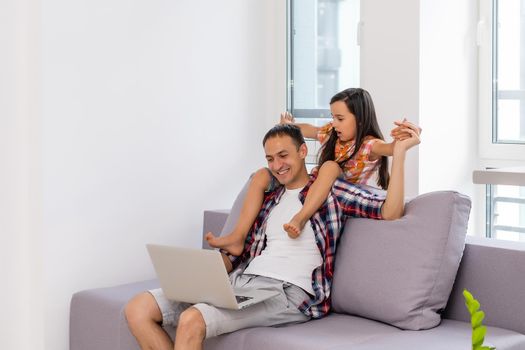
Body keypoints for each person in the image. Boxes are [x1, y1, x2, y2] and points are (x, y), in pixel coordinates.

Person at [125, 122, 421, 350]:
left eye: (284, 155)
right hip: (243, 282)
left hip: (290, 293)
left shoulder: (328, 192)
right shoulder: (269, 198)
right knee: (138, 308)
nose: (277, 165)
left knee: (193, 319)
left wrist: (400, 155)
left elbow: (390, 211)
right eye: (270, 159)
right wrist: (205, 273)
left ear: (303, 152)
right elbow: (242, 251)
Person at [206, 87, 415, 254]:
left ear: (359, 119)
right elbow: (308, 130)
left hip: (340, 186)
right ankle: (238, 236)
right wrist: (290, 126)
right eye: (333, 117)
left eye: (340, 118)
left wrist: (401, 140)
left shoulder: (370, 145)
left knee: (330, 166)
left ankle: (301, 216)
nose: (334, 123)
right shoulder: (333, 134)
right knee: (261, 175)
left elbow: (390, 149)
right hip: (319, 182)